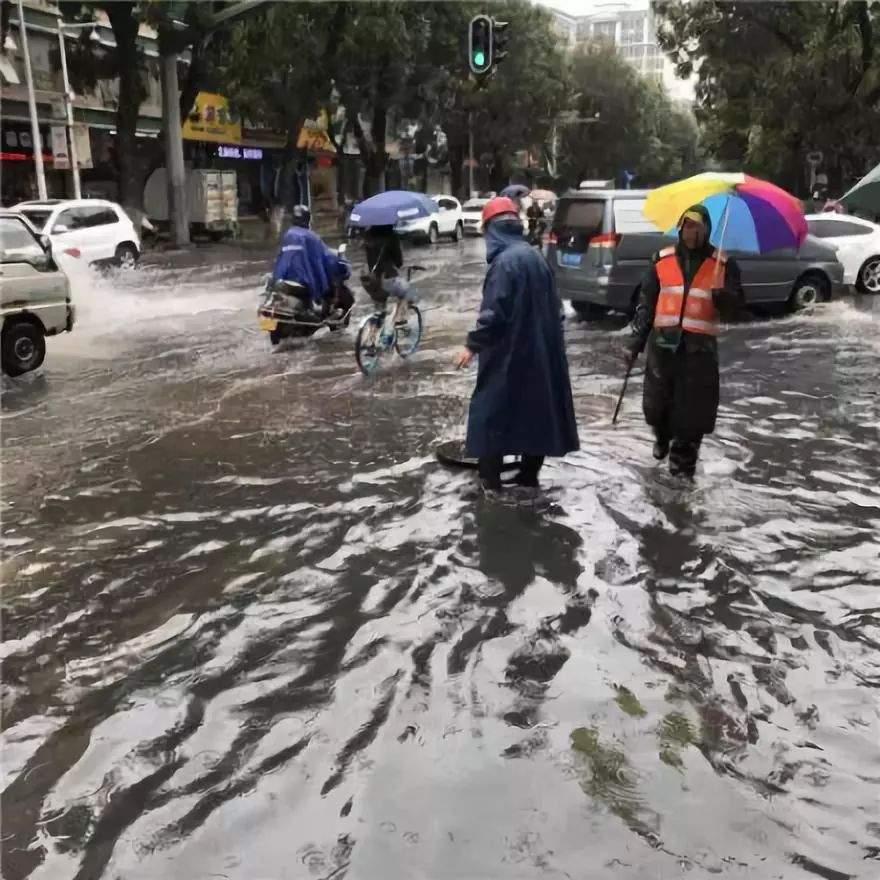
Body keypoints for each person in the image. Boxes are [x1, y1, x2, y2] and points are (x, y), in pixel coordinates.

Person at [455, 196, 580, 492]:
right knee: (537, 411)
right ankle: (527, 477)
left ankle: (490, 483)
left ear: (492, 231)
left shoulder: (504, 264)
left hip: (508, 355)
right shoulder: (535, 256)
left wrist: (472, 346)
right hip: (541, 352)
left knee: (490, 412)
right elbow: (557, 309)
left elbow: (493, 314)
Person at [623, 204, 746, 478]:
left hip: (698, 354)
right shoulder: (661, 260)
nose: (692, 232)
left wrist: (725, 299)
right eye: (687, 226)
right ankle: (661, 435)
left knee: (691, 420)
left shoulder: (724, 265)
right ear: (680, 227)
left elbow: (738, 308)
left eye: (697, 227)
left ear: (707, 230)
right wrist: (635, 344)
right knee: (656, 409)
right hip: (663, 349)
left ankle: (680, 481)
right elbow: (647, 305)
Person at [270, 204, 340, 311]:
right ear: (307, 219)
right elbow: (325, 257)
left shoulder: (287, 235)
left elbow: (280, 258)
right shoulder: (310, 236)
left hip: (283, 279)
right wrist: (337, 261)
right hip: (304, 281)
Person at [362, 225, 415, 342]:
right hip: (387, 279)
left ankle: (371, 343)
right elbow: (399, 262)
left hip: (371, 281)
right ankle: (400, 319)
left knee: (379, 312)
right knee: (407, 291)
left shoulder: (367, 236)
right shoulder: (391, 236)